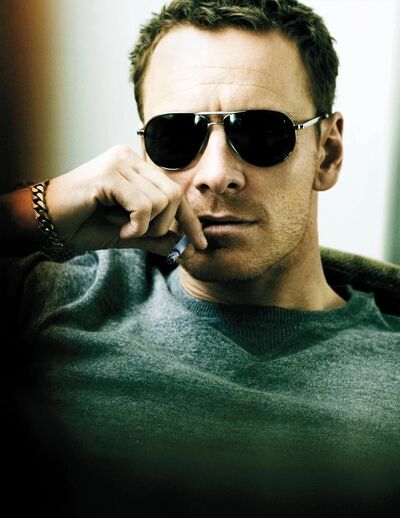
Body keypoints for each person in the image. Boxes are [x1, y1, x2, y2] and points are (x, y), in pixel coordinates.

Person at [1, 0, 399, 516]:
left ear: (328, 153)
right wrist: (37, 209)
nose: (215, 174)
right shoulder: (55, 298)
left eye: (261, 133)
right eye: (176, 136)